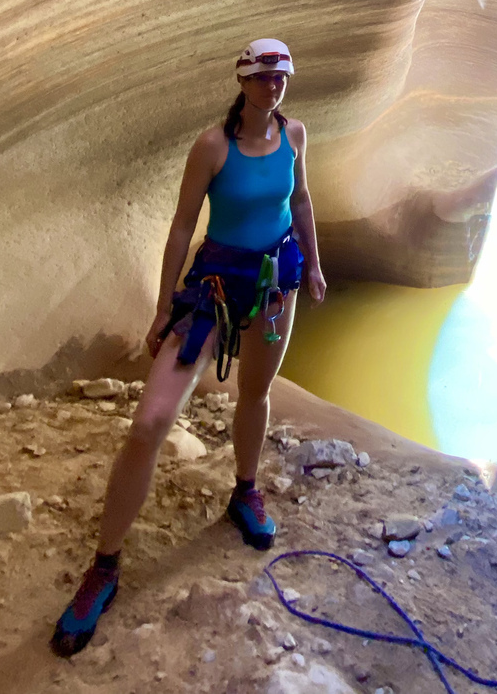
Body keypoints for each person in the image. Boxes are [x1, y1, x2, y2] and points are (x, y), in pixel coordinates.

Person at [51, 38, 326, 658]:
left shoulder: (295, 135)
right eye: (263, 76)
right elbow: (182, 224)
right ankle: (104, 565)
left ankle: (244, 491)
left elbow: (300, 200)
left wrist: (313, 265)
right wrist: (161, 305)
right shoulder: (213, 146)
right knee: (150, 421)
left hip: (274, 280)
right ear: (242, 80)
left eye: (281, 76)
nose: (274, 85)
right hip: (215, 285)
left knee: (255, 392)